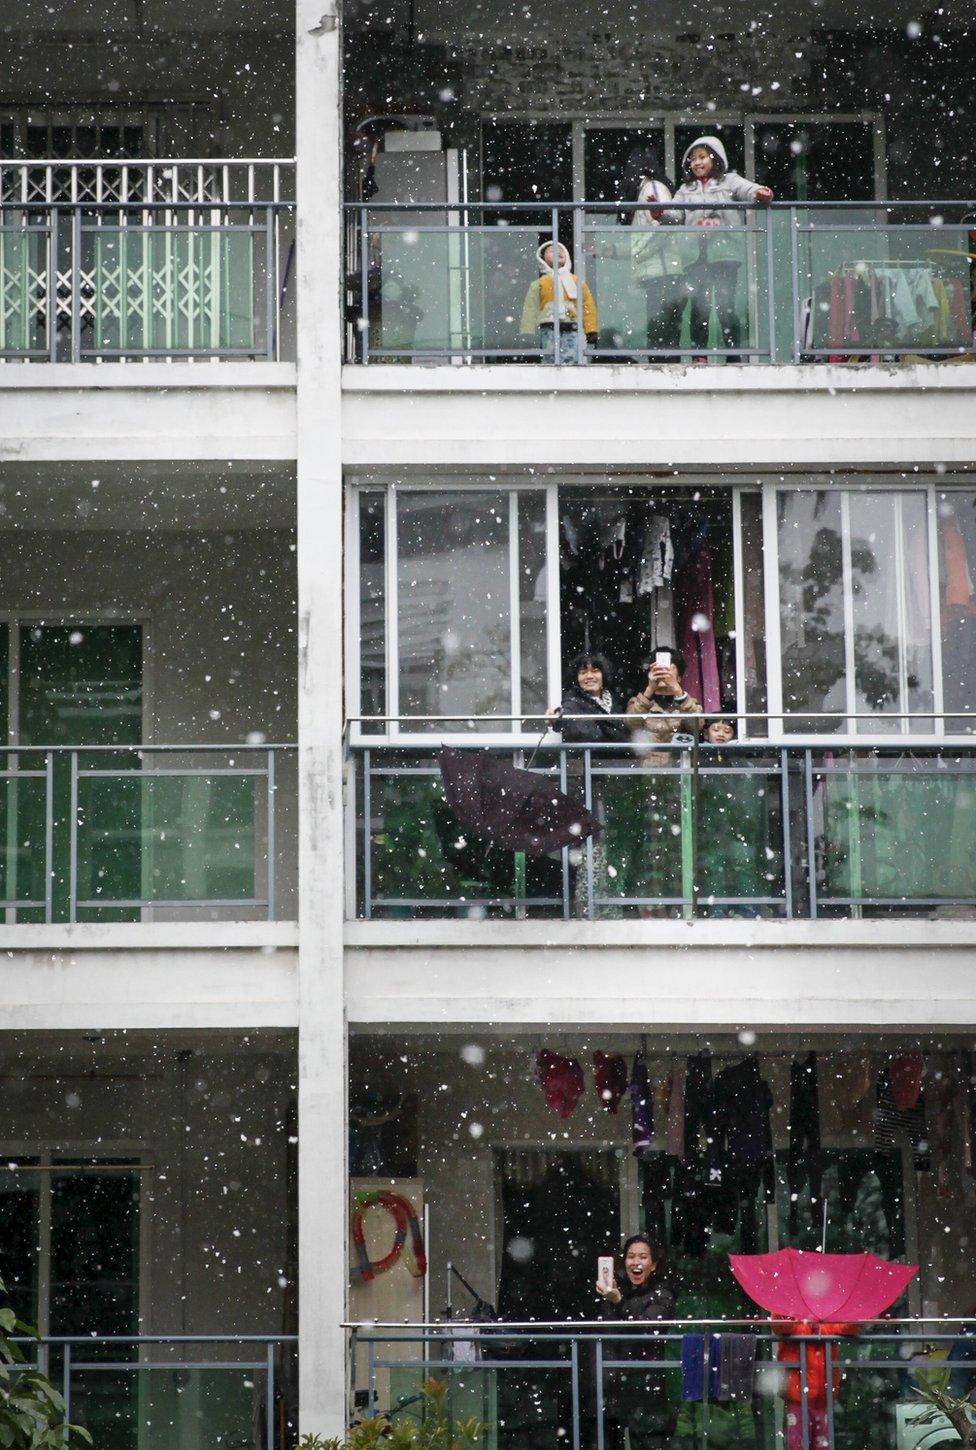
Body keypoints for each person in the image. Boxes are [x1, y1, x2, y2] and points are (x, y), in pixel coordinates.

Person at [660, 137, 773, 357]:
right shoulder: (686, 189)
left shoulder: (729, 181)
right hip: (694, 257)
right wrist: (661, 213)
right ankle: (699, 355)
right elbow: (675, 214)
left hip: (724, 256)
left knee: (725, 307)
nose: (697, 163)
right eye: (693, 159)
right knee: (699, 307)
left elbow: (750, 190)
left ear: (716, 158)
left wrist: (760, 193)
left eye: (702, 157)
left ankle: (734, 355)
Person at [594, 1235, 676, 1450]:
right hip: (613, 1388)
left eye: (643, 1256)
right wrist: (611, 1300)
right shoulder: (613, 1293)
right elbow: (605, 1335)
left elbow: (648, 1330)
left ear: (654, 1265)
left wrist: (619, 1302)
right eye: (631, 1256)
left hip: (646, 1388)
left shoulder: (663, 1295)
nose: (636, 1262)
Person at [521, 242, 597, 364]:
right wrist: (527, 332)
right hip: (548, 325)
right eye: (551, 251)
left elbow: (587, 306)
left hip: (572, 325)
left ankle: (569, 372)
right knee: (550, 354)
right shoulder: (539, 284)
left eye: (561, 250)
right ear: (542, 258)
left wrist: (591, 329)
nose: (557, 252)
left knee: (573, 354)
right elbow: (530, 309)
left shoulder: (577, 282)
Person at [625, 649, 701, 765]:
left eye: (668, 669)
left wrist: (679, 693)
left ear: (679, 677)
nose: (663, 672)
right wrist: (650, 689)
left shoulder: (689, 703)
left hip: (679, 770)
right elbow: (631, 722)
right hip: (645, 772)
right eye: (658, 669)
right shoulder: (637, 702)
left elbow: (698, 725)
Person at [547, 652, 629, 745]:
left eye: (595, 671)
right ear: (576, 678)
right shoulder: (573, 701)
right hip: (587, 758)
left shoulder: (615, 700)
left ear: (604, 675)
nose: (589, 676)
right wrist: (556, 717)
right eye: (583, 672)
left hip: (619, 758)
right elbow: (566, 718)